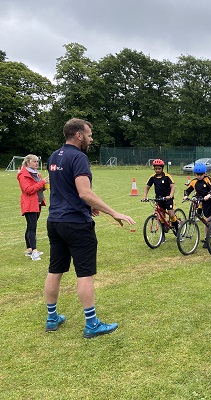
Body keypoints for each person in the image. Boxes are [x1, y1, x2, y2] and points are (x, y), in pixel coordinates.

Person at [45, 118, 135, 338]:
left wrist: (87, 206)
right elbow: (84, 192)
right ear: (78, 135)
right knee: (85, 274)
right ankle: (92, 324)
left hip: (55, 221)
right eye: (89, 134)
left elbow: (65, 189)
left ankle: (51, 318)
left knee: (55, 270)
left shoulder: (53, 156)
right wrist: (113, 212)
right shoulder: (79, 157)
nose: (91, 138)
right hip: (76, 224)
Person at [17, 154, 49, 261]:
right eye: (34, 161)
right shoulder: (23, 175)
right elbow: (28, 190)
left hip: (38, 203)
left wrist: (45, 185)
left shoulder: (37, 174)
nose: (37, 163)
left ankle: (29, 249)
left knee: (30, 226)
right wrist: (42, 183)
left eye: (37, 161)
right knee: (32, 227)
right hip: (29, 204)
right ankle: (34, 251)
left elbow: (38, 189)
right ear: (28, 163)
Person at [142, 158, 179, 233]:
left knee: (171, 215)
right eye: (156, 169)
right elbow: (147, 187)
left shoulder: (167, 176)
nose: (157, 170)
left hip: (168, 199)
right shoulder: (152, 177)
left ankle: (178, 232)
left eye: (159, 168)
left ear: (162, 168)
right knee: (161, 217)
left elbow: (173, 186)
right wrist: (144, 196)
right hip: (159, 199)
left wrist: (170, 195)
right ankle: (163, 236)